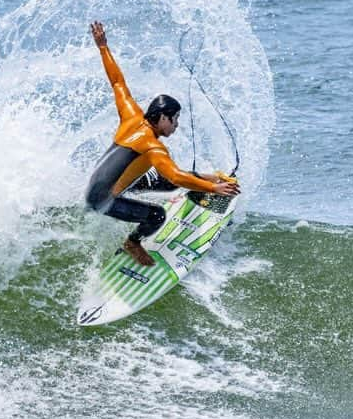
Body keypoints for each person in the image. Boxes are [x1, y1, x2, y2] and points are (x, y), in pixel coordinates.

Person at [85, 21, 239, 267]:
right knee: (158, 214)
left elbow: (117, 82)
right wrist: (215, 192)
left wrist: (103, 47)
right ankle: (132, 243)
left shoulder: (132, 116)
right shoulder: (153, 147)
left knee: (162, 180)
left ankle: (211, 177)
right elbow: (177, 176)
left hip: (97, 182)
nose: (176, 125)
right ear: (162, 117)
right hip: (102, 199)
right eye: (174, 119)